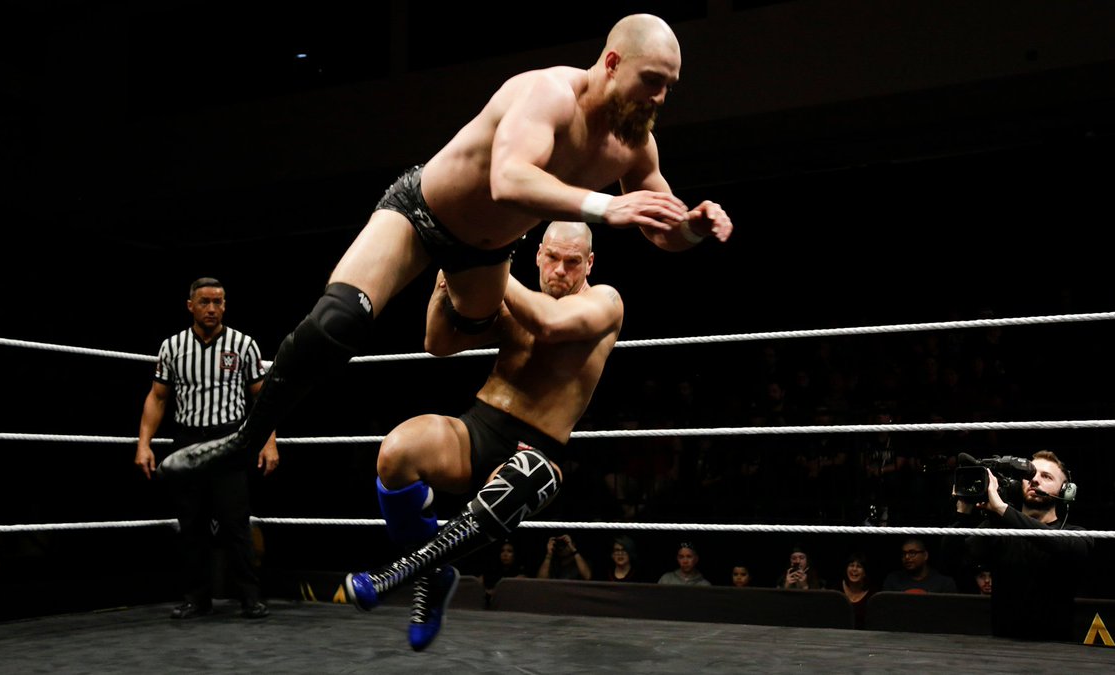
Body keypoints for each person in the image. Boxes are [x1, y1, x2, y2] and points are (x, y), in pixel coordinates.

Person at [157, 12, 733, 478]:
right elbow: (508, 179)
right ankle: (243, 441)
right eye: (651, 81)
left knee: (446, 342)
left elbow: (663, 228)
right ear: (612, 63)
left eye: (669, 88)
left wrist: (692, 229)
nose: (659, 98)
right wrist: (606, 206)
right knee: (336, 322)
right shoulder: (546, 93)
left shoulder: (635, 147)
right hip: (420, 213)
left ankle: (440, 507)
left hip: (486, 253)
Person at [341, 220, 624, 651]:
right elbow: (437, 343)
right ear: (538, 255)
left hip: (537, 449)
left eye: (572, 262)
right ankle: (432, 576)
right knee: (396, 452)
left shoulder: (605, 302)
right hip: (479, 426)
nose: (561, 270)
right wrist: (445, 283)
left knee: (530, 474)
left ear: (589, 263)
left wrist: (486, 258)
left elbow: (548, 324)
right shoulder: (513, 301)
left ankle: (397, 575)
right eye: (553, 258)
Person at [134, 277, 278, 620]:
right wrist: (143, 444)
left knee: (236, 522)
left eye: (218, 301)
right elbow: (157, 396)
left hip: (230, 439)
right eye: (204, 302)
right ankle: (195, 598)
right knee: (191, 523)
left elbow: (264, 398)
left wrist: (269, 441)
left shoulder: (243, 345)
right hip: (187, 440)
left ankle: (250, 597)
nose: (211, 308)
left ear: (225, 305)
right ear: (190, 306)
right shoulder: (172, 347)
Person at [943, 450, 1092, 641]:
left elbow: (1063, 546)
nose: (1035, 480)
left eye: (1046, 476)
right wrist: (962, 511)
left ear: (1066, 490)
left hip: (1056, 649)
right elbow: (949, 561)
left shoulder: (1076, 533)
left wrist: (1002, 509)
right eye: (1029, 475)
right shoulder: (999, 529)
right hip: (1003, 648)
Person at [882, 538, 957, 594]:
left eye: (912, 553)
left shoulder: (944, 583)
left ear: (925, 555)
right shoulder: (893, 580)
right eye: (904, 554)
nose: (907, 557)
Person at [478, 540, 527, 607]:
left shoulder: (520, 574)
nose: (505, 554)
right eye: (502, 551)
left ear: (515, 554)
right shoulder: (491, 572)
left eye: (509, 551)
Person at [840, 552, 876, 629]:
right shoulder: (836, 589)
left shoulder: (873, 595)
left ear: (865, 572)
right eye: (851, 565)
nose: (854, 569)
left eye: (859, 566)